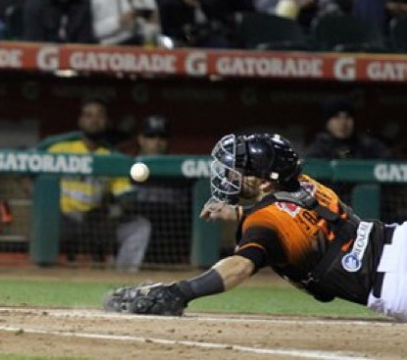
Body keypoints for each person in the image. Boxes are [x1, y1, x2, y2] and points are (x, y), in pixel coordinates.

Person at [104, 132, 407, 323]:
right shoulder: (305, 185)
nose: (231, 177)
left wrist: (179, 292)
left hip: (396, 283)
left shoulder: (266, 221)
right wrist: (238, 211)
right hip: (396, 241)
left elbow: (239, 266)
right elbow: (290, 214)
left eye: (239, 172)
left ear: (264, 180)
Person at [41, 98, 150, 272]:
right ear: (80, 121)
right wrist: (44, 205)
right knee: (46, 223)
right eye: (89, 115)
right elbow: (23, 172)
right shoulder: (60, 149)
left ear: (107, 122)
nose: (94, 120)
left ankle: (123, 278)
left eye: (100, 116)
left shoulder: (111, 157)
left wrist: (110, 210)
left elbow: (126, 200)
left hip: (96, 222)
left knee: (139, 226)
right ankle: (42, 273)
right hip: (63, 219)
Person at [128, 116, 193, 264]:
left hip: (170, 236)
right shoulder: (126, 167)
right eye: (151, 136)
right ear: (141, 139)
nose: (157, 142)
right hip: (139, 227)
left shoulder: (179, 172)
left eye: (162, 137)